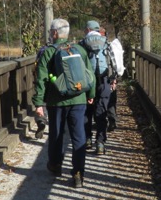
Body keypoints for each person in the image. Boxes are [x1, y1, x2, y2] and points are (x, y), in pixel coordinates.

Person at [32, 18, 95, 187]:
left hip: (56, 101)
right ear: (66, 33)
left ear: (54, 33)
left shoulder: (49, 52)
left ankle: (55, 165)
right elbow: (90, 74)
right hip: (79, 99)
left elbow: (41, 79)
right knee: (79, 135)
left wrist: (39, 103)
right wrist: (90, 93)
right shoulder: (80, 49)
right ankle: (78, 173)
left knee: (57, 134)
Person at [80, 20, 115, 155]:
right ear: (98, 29)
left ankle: (87, 139)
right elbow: (113, 62)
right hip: (104, 80)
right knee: (102, 112)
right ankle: (100, 143)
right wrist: (114, 79)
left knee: (86, 111)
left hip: (87, 82)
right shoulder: (106, 43)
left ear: (88, 30)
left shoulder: (82, 44)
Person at [104, 28, 125, 132]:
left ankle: (104, 121)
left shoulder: (105, 47)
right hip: (113, 76)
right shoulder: (114, 46)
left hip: (104, 77)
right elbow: (117, 64)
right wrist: (116, 78)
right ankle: (112, 120)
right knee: (112, 98)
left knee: (103, 100)